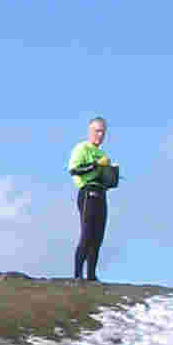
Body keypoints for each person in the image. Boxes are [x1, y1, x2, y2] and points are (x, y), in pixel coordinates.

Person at [67, 114, 117, 281]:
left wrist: (112, 174)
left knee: (98, 236)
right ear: (90, 131)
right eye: (97, 131)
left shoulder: (103, 153)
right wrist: (96, 165)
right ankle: (77, 275)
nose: (100, 135)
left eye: (103, 132)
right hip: (87, 192)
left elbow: (107, 180)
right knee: (87, 234)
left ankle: (92, 276)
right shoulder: (82, 148)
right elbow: (74, 170)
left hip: (101, 193)